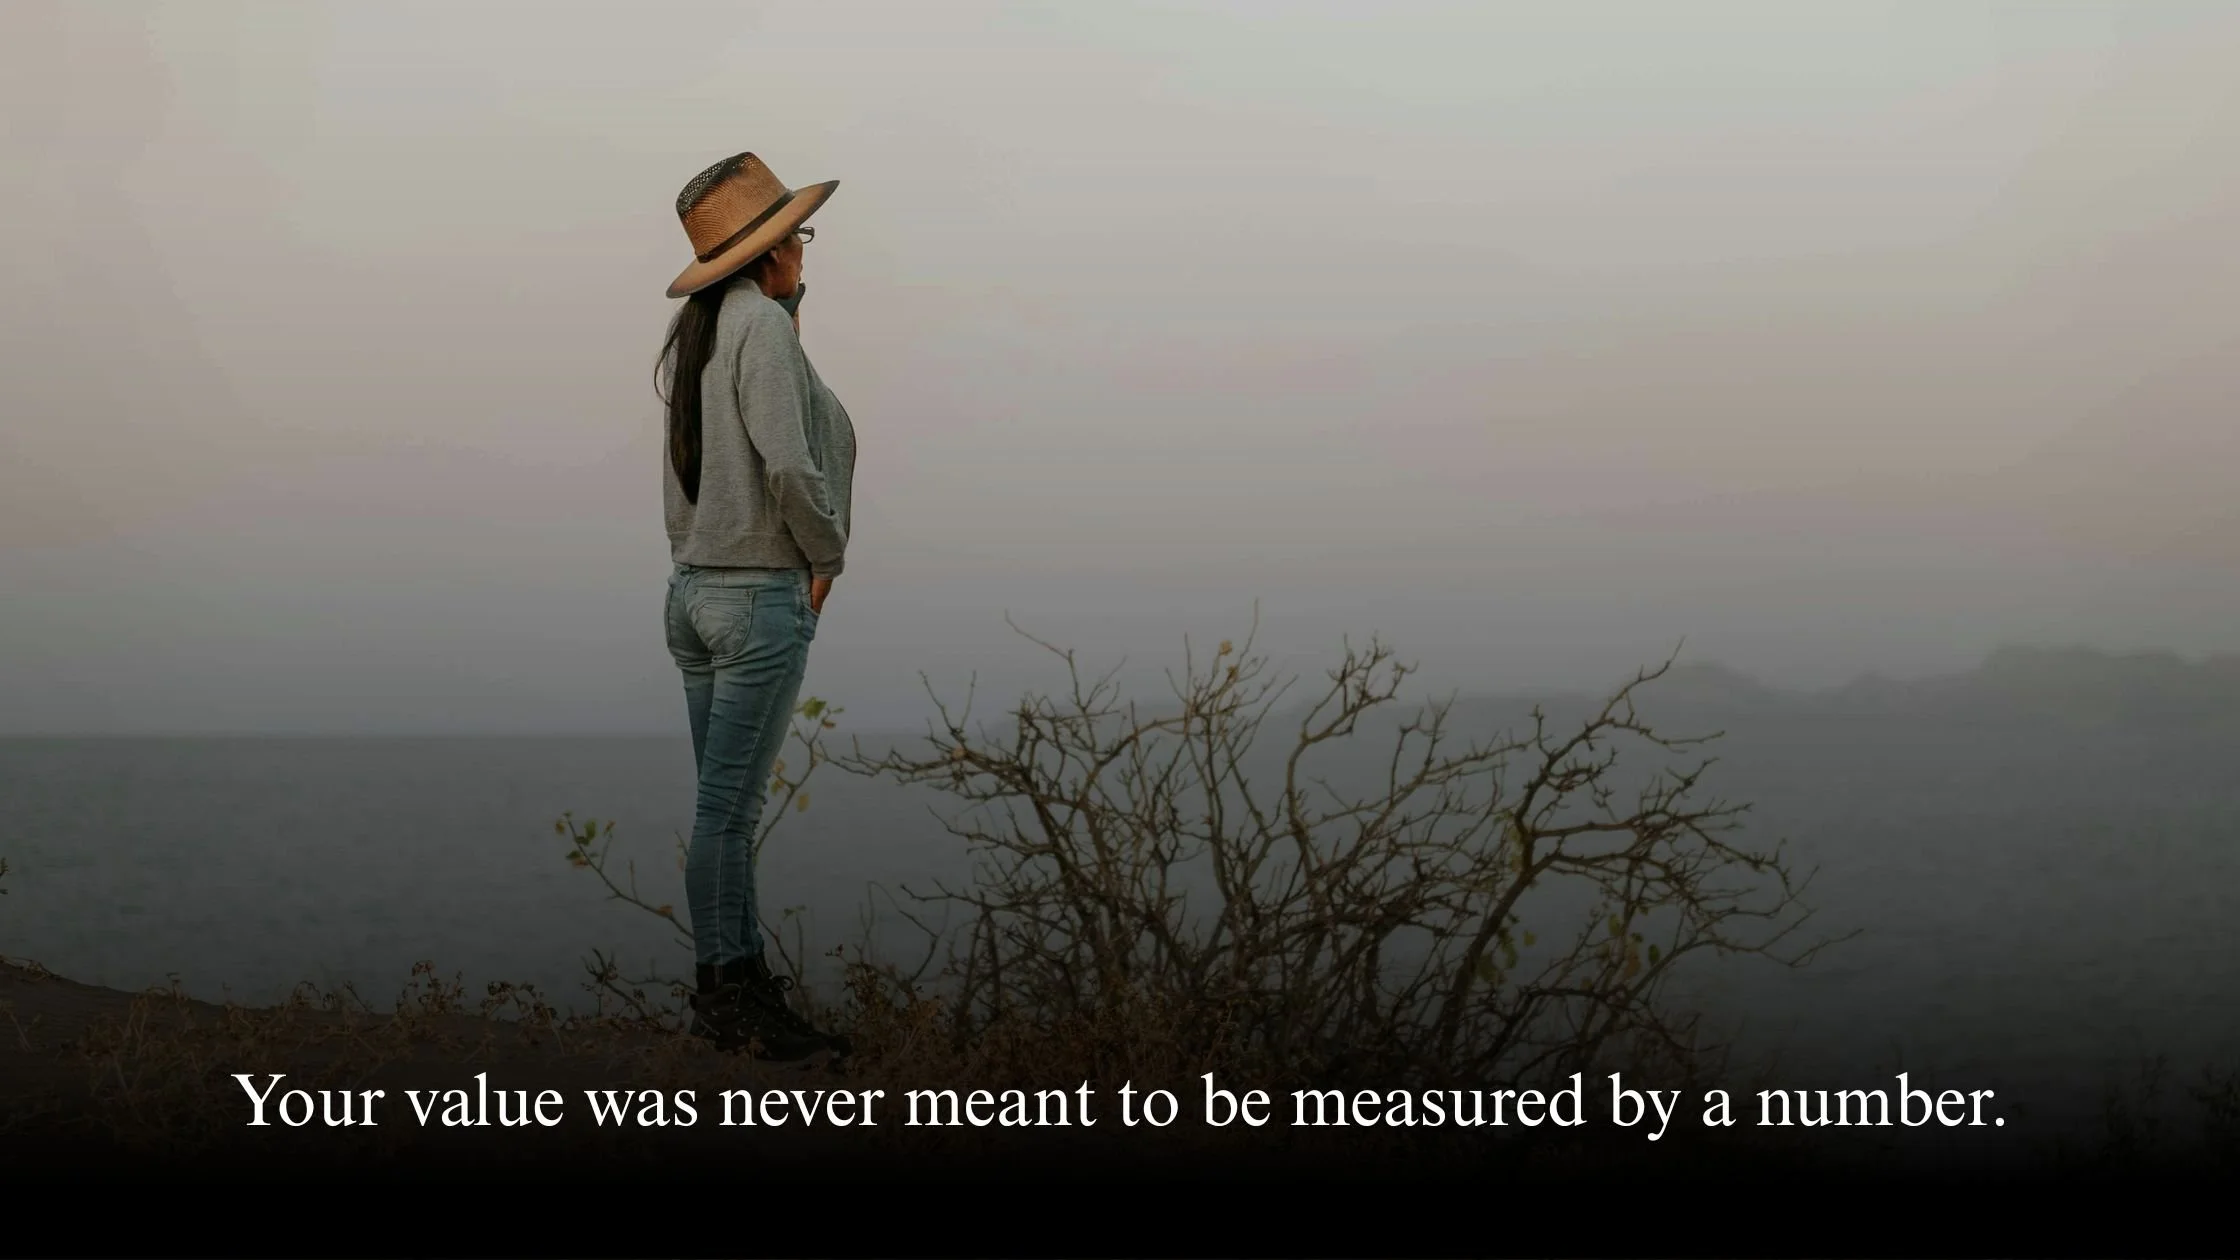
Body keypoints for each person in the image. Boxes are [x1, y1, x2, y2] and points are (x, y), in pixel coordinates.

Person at [655, 152, 854, 1060]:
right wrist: (827, 554)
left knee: (720, 809)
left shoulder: (701, 334)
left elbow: (703, 476)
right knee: (726, 816)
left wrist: (789, 312)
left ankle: (738, 983)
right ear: (767, 254)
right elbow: (788, 458)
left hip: (693, 594)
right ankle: (729, 995)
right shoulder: (758, 334)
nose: (805, 252)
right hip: (752, 598)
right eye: (796, 239)